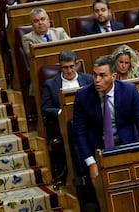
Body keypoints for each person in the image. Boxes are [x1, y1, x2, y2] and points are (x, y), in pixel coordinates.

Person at [72, 56, 139, 187]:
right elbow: (79, 133)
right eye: (95, 75)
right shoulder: (82, 96)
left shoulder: (129, 91)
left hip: (128, 147)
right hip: (99, 151)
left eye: (102, 75)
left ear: (114, 76)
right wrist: (91, 162)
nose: (97, 80)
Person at [41, 50, 92, 182]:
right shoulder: (51, 84)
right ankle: (81, 176)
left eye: (71, 67)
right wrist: (60, 112)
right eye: (65, 67)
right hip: (63, 126)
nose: (69, 71)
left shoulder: (88, 79)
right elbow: (45, 109)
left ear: (77, 64)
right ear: (60, 67)